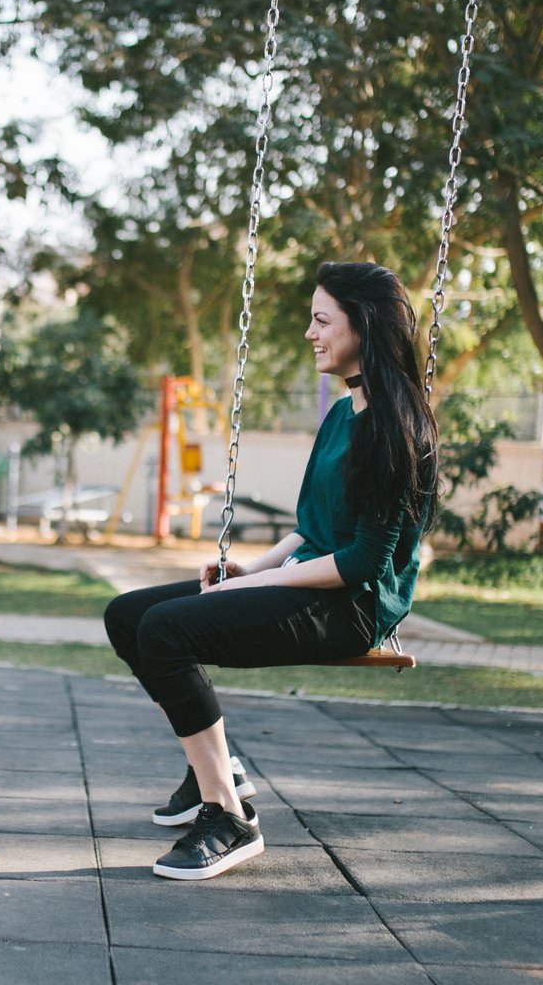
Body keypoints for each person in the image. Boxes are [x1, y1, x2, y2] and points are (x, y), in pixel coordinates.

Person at [103, 262, 436, 880]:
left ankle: (227, 815)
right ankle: (216, 766)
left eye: (321, 319)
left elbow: (363, 560)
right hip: (312, 577)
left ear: (362, 325)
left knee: (167, 632)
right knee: (128, 616)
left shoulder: (395, 426)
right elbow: (311, 527)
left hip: (354, 604)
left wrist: (258, 583)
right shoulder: (343, 414)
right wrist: (250, 566)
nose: (310, 333)